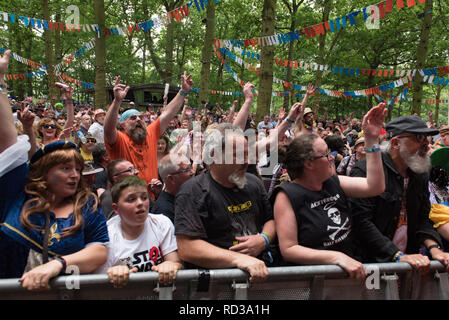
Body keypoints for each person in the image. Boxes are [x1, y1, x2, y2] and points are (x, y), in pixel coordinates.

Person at [271, 103, 387, 280]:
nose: (332, 157)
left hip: (347, 276)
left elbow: (375, 187)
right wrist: (336, 258)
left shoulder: (333, 181)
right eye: (325, 155)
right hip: (309, 282)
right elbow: (289, 249)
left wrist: (372, 138)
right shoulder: (286, 195)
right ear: (309, 164)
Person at [174, 123, 279, 283]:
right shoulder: (193, 191)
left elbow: (270, 220)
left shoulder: (253, 183)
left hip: (259, 276)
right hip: (218, 284)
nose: (247, 161)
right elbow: (187, 247)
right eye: (238, 155)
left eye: (247, 154)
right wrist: (239, 259)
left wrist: (263, 239)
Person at [350, 115, 449, 273]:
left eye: (427, 138)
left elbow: (423, 217)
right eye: (419, 137)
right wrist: (397, 255)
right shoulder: (365, 170)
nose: (426, 143)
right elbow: (361, 222)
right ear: (396, 143)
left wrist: (435, 249)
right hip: (370, 266)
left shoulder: (420, 173)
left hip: (409, 263)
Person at [104, 72, 193, 186]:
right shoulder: (119, 140)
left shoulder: (150, 133)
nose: (138, 119)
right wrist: (117, 101)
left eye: (140, 117)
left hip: (151, 198)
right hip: (127, 198)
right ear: (123, 125)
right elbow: (108, 128)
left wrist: (183, 91)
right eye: (133, 118)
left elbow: (167, 114)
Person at [95, 176, 183, 287]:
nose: (140, 203)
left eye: (144, 197)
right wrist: (112, 272)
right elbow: (97, 283)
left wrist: (171, 265)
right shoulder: (106, 234)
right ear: (116, 209)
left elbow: (175, 262)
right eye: (131, 199)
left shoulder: (161, 223)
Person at [152, 154, 194, 223]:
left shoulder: (186, 195)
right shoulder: (163, 214)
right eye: (187, 170)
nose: (193, 172)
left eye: (191, 167)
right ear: (171, 179)